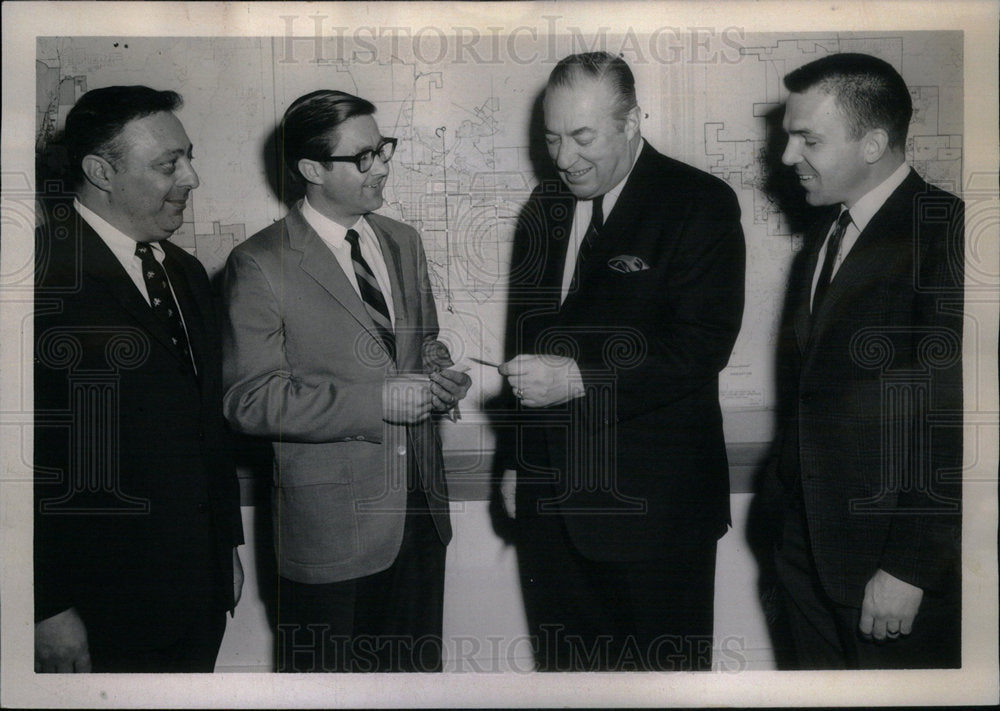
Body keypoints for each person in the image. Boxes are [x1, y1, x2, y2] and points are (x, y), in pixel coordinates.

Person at [498, 52, 746, 671]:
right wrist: (515, 460)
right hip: (551, 511)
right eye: (551, 138)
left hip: (654, 515)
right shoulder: (545, 209)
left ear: (632, 121)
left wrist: (579, 378)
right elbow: (522, 345)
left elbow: (701, 345)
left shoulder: (699, 203)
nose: (563, 158)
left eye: (582, 137)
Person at [222, 89, 470, 673]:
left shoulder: (402, 241)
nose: (382, 165)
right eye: (363, 157)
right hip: (330, 535)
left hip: (420, 514)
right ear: (311, 169)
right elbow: (248, 400)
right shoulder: (259, 263)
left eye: (383, 149)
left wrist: (438, 375)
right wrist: (379, 401)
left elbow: (419, 344)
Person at [33, 86, 245, 673]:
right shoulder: (35, 277)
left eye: (188, 156)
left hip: (195, 594)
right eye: (167, 164)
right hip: (94, 608)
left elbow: (207, 423)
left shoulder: (185, 272)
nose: (192, 178)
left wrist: (225, 544)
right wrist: (42, 606)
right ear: (100, 171)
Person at [768, 52, 963, 669]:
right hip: (805, 557)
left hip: (888, 570)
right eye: (788, 136)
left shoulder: (948, 234)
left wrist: (910, 567)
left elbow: (957, 421)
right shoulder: (826, 237)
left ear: (874, 142)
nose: (786, 157)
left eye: (808, 139)